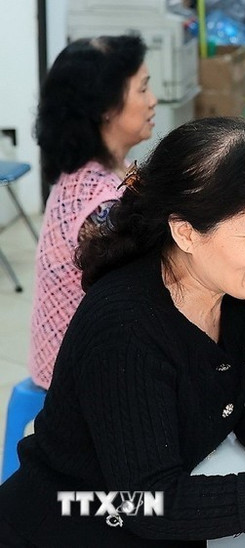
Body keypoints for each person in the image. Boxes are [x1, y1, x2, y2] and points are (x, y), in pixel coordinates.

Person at [0, 118, 245, 546]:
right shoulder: (124, 328)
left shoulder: (241, 281)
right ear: (186, 232)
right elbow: (149, 504)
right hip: (69, 524)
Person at [29, 35, 157, 389]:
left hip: (92, 356)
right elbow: (138, 299)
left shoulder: (106, 169)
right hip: (79, 378)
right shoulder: (99, 206)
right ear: (106, 109)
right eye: (142, 89)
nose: (153, 100)